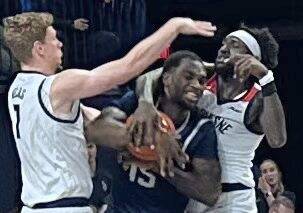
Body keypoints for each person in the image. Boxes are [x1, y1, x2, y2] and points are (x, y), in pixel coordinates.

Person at [3, 11, 216, 212]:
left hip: (33, 206)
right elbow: (128, 66)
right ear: (39, 48)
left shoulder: (17, 89)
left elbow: (92, 120)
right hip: (65, 206)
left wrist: (144, 126)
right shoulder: (58, 87)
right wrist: (174, 27)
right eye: (54, 39)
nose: (60, 43)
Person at [135, 25, 287, 212]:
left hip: (234, 199)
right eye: (223, 43)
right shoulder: (202, 80)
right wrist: (146, 103)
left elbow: (277, 140)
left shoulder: (257, 99)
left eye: (234, 45)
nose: (223, 48)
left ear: (251, 59)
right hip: (193, 191)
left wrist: (265, 77)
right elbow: (149, 78)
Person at [97, 50, 221, 212]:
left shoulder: (201, 129)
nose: (197, 85)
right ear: (167, 78)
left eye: (202, 81)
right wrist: (152, 138)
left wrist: (156, 162)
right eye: (189, 77)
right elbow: (97, 130)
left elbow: (209, 194)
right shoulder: (136, 103)